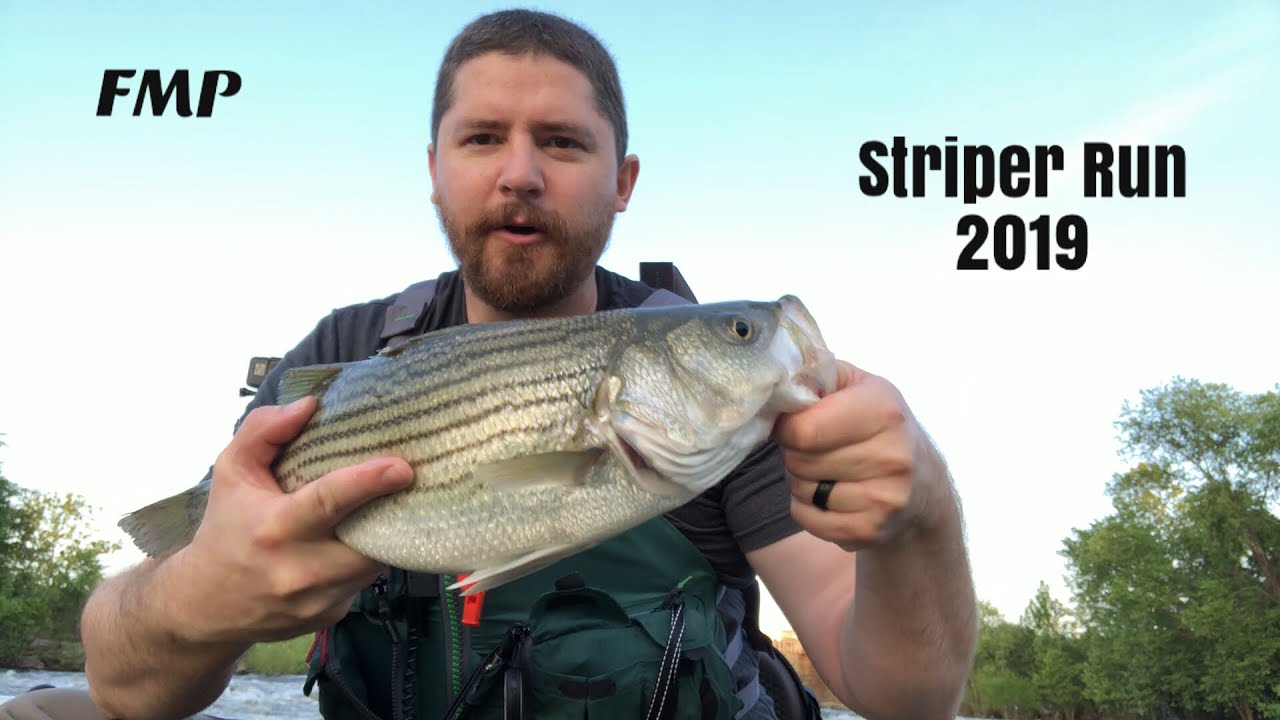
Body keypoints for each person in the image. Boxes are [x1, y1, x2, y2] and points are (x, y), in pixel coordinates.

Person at [2, 9, 977, 720]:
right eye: (481, 140)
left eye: (561, 142)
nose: (520, 173)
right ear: (434, 169)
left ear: (622, 180)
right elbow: (130, 688)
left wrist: (921, 516)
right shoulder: (339, 357)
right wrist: (197, 595)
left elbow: (902, 696)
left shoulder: (733, 408)